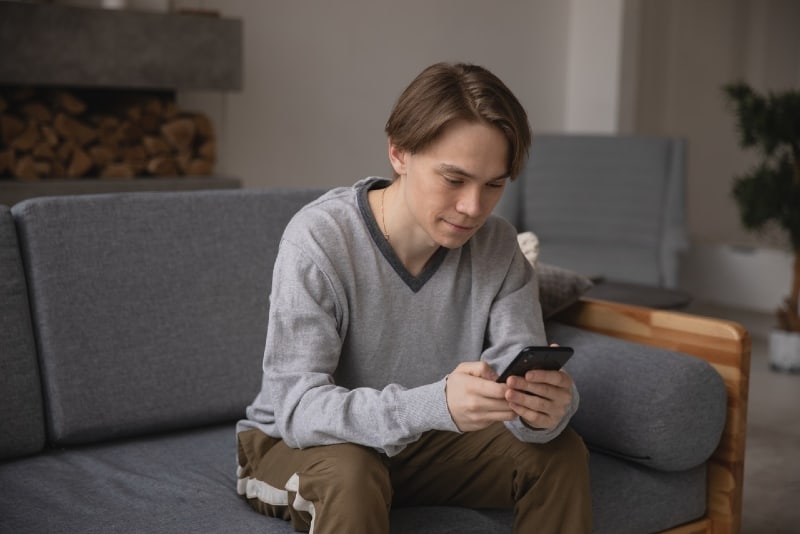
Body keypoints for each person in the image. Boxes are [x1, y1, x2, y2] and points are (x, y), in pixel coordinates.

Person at [236, 61, 592, 533]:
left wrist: (547, 411)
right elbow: (299, 410)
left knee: (559, 453)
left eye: (493, 186)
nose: (473, 208)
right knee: (354, 475)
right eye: (453, 179)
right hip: (296, 445)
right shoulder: (319, 240)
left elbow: (516, 394)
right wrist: (435, 404)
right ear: (399, 153)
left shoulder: (499, 249)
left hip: (424, 444)